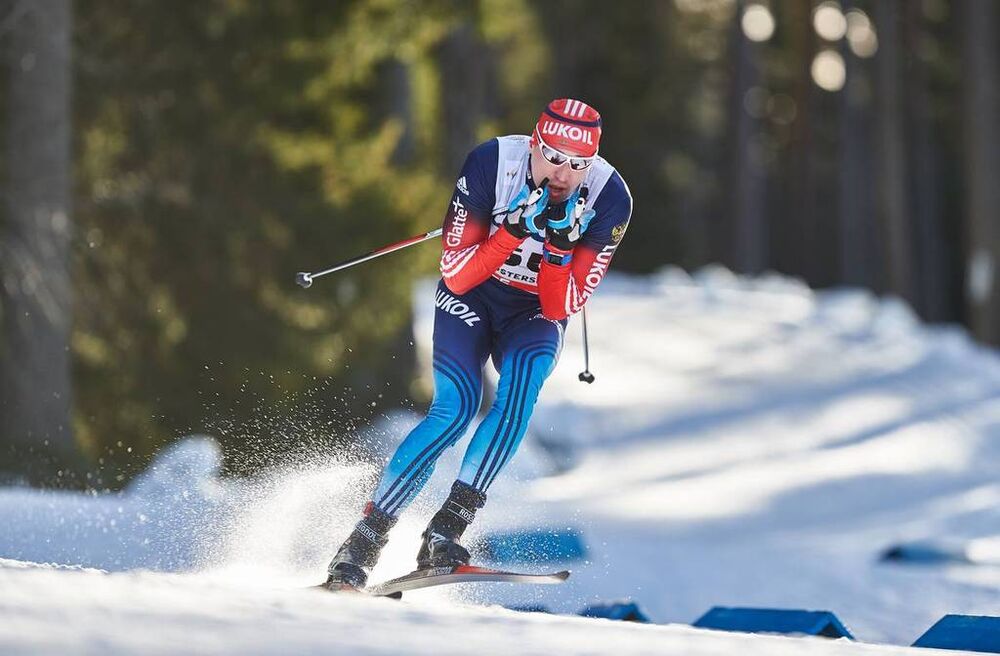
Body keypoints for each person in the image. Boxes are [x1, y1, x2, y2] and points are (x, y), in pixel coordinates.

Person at [325, 98, 633, 589]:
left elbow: (562, 305)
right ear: (534, 145)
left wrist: (558, 250)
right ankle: (361, 545)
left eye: (578, 164)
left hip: (533, 311)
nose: (563, 174)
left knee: (522, 389)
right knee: (456, 409)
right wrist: (511, 231)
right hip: (472, 295)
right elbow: (457, 273)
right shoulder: (493, 163)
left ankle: (446, 532)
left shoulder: (610, 197)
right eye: (554, 157)